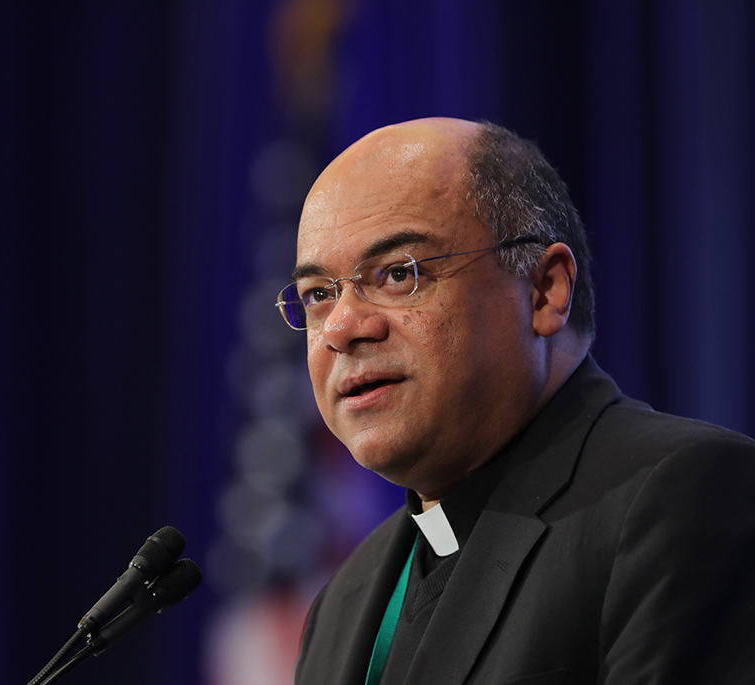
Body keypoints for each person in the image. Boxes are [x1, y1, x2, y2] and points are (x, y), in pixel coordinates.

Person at [277, 117, 755, 684]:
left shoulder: (682, 496)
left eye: (398, 274)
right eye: (318, 295)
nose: (342, 327)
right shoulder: (345, 599)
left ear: (544, 289)